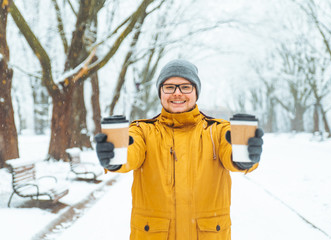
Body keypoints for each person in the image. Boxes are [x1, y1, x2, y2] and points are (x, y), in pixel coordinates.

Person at [95, 59, 264, 240]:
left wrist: (244, 158)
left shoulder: (217, 130)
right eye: (169, 87)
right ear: (160, 92)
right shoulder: (143, 131)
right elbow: (130, 152)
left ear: (196, 92)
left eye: (185, 87)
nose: (177, 93)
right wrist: (114, 156)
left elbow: (231, 152)